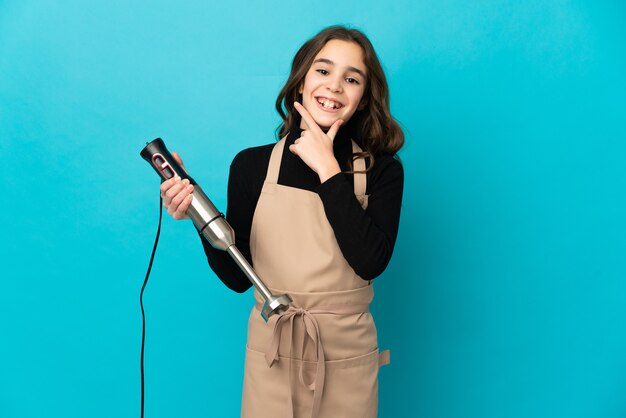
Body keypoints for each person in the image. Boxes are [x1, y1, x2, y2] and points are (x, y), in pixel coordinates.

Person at [160, 25, 404, 418]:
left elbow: (370, 261)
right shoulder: (251, 165)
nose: (335, 86)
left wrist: (328, 170)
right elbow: (239, 278)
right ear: (301, 82)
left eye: (352, 78)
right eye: (323, 71)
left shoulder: (382, 172)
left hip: (346, 356)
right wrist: (196, 216)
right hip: (272, 351)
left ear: (361, 99)